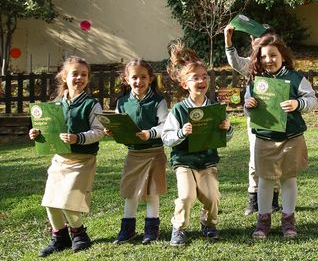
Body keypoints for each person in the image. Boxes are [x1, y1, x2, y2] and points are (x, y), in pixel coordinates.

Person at [28, 56, 105, 257]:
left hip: (82, 160)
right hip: (60, 160)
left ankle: (80, 235)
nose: (79, 78)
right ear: (64, 77)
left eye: (84, 74)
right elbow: (47, 130)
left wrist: (78, 138)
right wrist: (37, 134)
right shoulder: (55, 105)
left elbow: (99, 131)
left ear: (88, 78)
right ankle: (60, 238)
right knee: (50, 202)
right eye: (75, 74)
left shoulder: (91, 104)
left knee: (68, 203)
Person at [244, 34, 318, 239]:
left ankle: (288, 221)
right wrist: (248, 106)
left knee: (288, 179)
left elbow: (313, 101)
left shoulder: (296, 79)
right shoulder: (255, 82)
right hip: (264, 138)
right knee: (265, 181)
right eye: (264, 56)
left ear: (283, 56)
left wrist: (298, 104)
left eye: (273, 55)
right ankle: (263, 220)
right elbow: (247, 109)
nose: (268, 60)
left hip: (291, 138)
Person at [162, 41, 234, 246]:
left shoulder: (214, 108)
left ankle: (209, 224)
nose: (201, 81)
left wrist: (227, 128)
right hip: (184, 161)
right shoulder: (178, 110)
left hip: (207, 161)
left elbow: (225, 137)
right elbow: (167, 137)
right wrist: (181, 132)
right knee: (186, 196)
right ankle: (179, 228)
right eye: (195, 78)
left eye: (204, 77)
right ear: (185, 84)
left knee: (212, 197)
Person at [110, 59, 168, 244]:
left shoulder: (159, 101)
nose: (139, 81)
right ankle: (127, 230)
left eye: (143, 77)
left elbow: (165, 125)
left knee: (152, 192)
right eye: (134, 77)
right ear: (127, 79)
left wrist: (150, 133)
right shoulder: (122, 102)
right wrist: (111, 130)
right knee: (130, 192)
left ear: (150, 79)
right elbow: (120, 126)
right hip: (133, 153)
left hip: (154, 152)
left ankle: (152, 230)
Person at [224, 24, 280, 215]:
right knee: (255, 159)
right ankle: (253, 198)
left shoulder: (279, 64)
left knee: (275, 158)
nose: (259, 42)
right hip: (255, 119)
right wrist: (228, 40)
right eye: (256, 38)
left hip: (277, 120)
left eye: (264, 37)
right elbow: (234, 62)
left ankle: (273, 199)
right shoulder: (251, 66)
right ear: (252, 41)